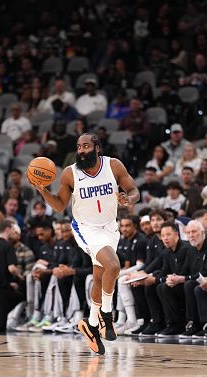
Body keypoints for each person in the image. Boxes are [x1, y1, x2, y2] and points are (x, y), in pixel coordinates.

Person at [29, 132, 140, 355]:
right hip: (85, 228)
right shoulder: (70, 174)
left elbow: (134, 190)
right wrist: (43, 190)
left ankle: (90, 325)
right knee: (114, 266)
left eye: (86, 146)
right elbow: (60, 206)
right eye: (79, 147)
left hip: (110, 227)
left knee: (100, 276)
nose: (81, 151)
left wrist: (129, 199)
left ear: (97, 148)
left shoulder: (114, 166)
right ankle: (106, 317)